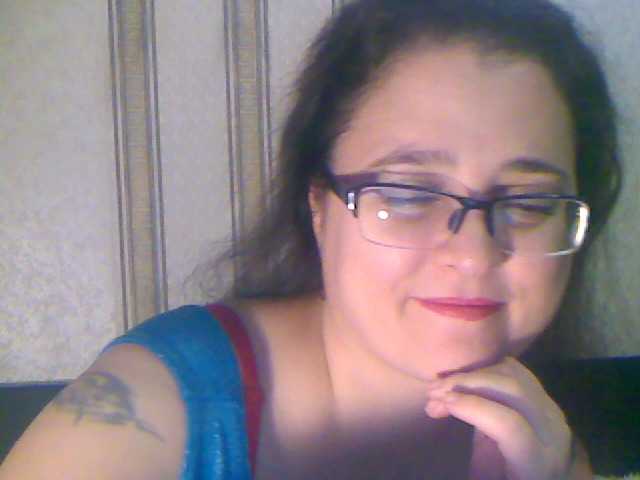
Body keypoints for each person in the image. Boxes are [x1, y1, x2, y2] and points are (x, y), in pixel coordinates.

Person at [0, 0, 621, 478]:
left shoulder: (552, 440)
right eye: (408, 195)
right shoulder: (153, 408)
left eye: (529, 203)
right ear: (319, 205)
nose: (474, 254)